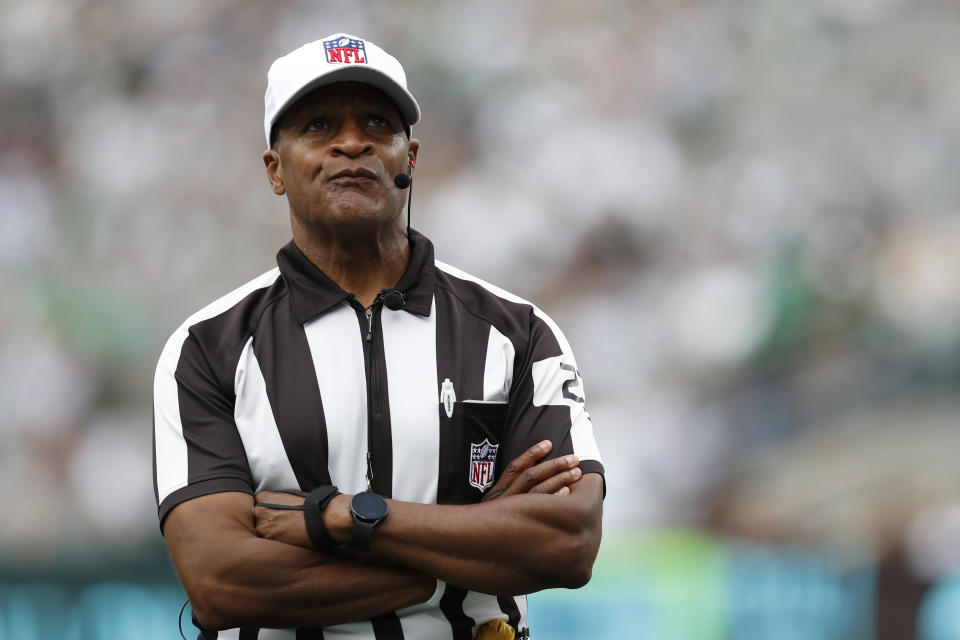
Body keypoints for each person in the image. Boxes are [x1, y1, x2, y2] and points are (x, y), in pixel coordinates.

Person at [153, 33, 605, 640]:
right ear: (274, 169)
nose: (350, 141)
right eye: (317, 125)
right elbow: (220, 583)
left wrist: (346, 518)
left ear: (409, 158)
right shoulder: (207, 347)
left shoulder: (518, 333)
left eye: (375, 122)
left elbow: (568, 543)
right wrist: (469, 552)